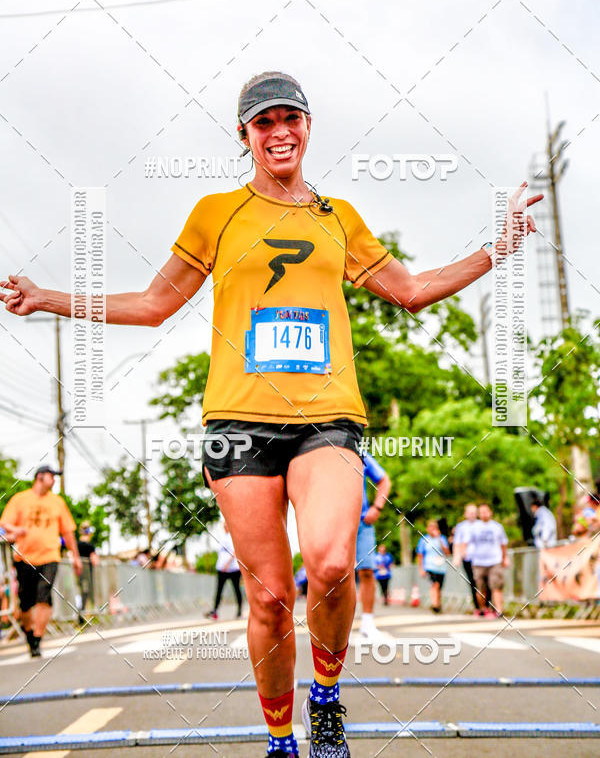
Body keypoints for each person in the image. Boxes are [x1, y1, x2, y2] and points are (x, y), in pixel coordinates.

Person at [1, 71, 542, 757]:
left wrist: (499, 248)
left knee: (333, 562)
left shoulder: (339, 218)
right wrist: (47, 296)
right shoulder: (216, 213)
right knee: (270, 600)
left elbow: (411, 291)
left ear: (309, 126)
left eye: (291, 118)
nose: (279, 132)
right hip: (238, 425)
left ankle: (325, 698)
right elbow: (152, 303)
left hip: (328, 418)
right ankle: (280, 739)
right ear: (245, 135)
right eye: (264, 122)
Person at [0, 466, 82, 657]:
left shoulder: (57, 502)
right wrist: (16, 530)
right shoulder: (20, 499)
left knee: (44, 596)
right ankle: (29, 634)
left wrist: (75, 556)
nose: (53, 480)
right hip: (24, 558)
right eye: (51, 476)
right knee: (26, 603)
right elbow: (4, 522)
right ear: (40, 477)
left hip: (50, 556)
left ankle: (37, 638)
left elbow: (67, 532)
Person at [355, 451, 390, 640]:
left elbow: (384, 480)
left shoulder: (360, 452)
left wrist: (376, 508)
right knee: (334, 574)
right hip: (332, 522)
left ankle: (367, 623)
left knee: (367, 571)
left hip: (362, 523)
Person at [470, 504, 509, 617]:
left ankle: (499, 610)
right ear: (478, 514)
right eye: (481, 512)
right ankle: (483, 608)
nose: (484, 514)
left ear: (490, 512)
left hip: (494, 560)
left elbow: (503, 543)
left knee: (496, 585)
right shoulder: (474, 527)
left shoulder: (497, 527)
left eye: (486, 511)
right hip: (478, 561)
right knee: (481, 588)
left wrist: (504, 557)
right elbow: (468, 544)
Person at [206, 521, 243, 620]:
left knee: (236, 590)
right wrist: (221, 565)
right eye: (224, 526)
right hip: (222, 570)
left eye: (226, 525)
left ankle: (239, 611)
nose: (225, 527)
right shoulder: (223, 538)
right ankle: (215, 611)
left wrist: (228, 563)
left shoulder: (233, 537)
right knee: (219, 591)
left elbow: (236, 552)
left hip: (233, 569)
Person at [416, 520, 450, 613]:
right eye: (430, 527)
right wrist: (421, 568)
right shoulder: (423, 540)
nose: (432, 529)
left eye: (434, 527)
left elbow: (447, 552)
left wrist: (439, 539)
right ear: (427, 529)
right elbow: (420, 555)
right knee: (434, 585)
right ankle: (435, 605)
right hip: (429, 566)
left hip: (441, 567)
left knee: (439, 586)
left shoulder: (442, 538)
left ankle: (438, 604)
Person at [452, 503, 479, 612]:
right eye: (470, 512)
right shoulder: (461, 527)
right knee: (473, 582)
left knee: (483, 582)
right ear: (466, 514)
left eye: (474, 512)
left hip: (482, 559)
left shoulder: (481, 524)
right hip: (468, 558)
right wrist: (456, 557)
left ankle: (487, 604)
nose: (472, 514)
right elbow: (457, 543)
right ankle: (478, 606)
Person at [76, 520, 99, 625]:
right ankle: (86, 616)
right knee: (87, 594)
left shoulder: (76, 544)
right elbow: (95, 560)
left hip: (77, 573)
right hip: (87, 573)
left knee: (81, 593)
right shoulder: (90, 546)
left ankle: (82, 616)